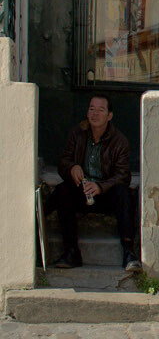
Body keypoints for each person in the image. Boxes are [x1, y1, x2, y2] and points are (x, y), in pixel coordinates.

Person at [54, 96, 137, 270]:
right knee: (62, 191)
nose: (95, 114)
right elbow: (63, 161)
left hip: (106, 194)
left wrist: (100, 187)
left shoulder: (119, 141)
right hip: (82, 192)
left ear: (109, 115)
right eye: (91, 109)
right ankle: (71, 251)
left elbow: (123, 175)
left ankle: (129, 251)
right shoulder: (77, 134)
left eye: (100, 110)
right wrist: (72, 167)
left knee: (124, 193)